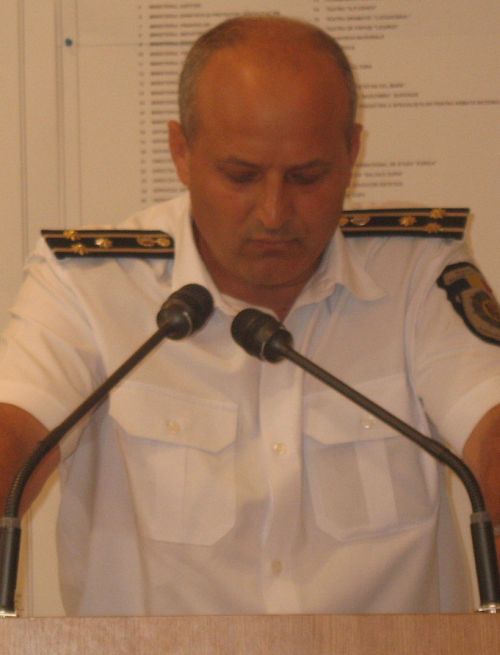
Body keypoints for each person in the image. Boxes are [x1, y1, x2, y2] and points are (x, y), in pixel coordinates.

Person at [0, 15, 499, 616]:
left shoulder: (418, 272)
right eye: (241, 176)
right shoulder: (89, 284)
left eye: (308, 177)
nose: (273, 212)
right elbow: (16, 436)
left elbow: (490, 426)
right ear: (181, 152)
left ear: (353, 151)